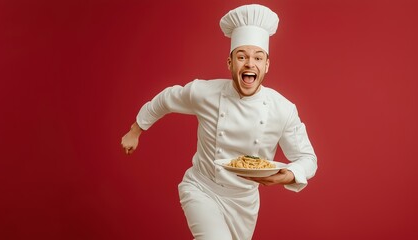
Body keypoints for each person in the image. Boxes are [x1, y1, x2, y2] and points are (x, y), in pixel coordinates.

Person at [121, 4, 317, 240]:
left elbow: (308, 159)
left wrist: (286, 175)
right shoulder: (205, 92)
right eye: (241, 56)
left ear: (266, 64)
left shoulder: (282, 109)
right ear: (229, 62)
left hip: (244, 203)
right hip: (202, 188)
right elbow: (167, 98)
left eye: (257, 57)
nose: (249, 64)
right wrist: (136, 129)